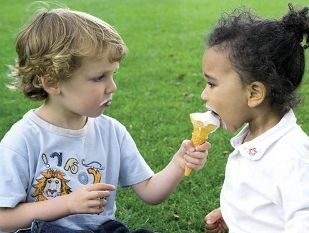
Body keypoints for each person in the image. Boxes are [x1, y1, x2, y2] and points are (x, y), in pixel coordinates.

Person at [0, 7, 210, 233]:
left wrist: (179, 163)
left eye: (113, 74)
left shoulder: (112, 132)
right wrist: (67, 204)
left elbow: (150, 192)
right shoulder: (23, 139)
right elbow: (3, 219)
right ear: (52, 82)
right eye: (99, 77)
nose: (112, 87)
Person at [201, 4, 309, 233]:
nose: (204, 94)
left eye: (212, 84)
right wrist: (237, 215)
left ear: (254, 94)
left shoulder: (291, 157)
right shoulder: (255, 137)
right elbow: (266, 197)